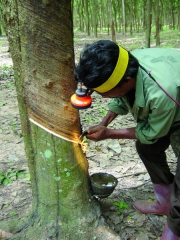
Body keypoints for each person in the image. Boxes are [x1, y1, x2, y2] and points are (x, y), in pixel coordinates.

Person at [74, 40, 180, 240]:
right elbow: (119, 97)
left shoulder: (161, 93)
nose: (103, 97)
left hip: (174, 99)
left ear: (128, 81)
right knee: (146, 147)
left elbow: (150, 132)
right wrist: (104, 123)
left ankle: (174, 232)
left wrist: (108, 134)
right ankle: (164, 200)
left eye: (104, 92)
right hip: (170, 105)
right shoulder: (123, 64)